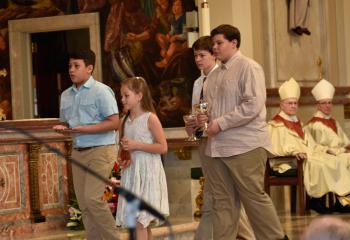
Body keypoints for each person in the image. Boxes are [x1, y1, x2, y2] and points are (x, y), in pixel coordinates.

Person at [200, 24, 287, 240]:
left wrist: (219, 123)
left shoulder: (249, 67)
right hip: (217, 148)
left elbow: (252, 105)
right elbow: (210, 109)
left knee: (253, 198)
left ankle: (275, 238)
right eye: (213, 44)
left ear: (234, 43)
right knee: (223, 202)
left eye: (219, 43)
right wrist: (203, 119)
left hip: (245, 145)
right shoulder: (212, 76)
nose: (215, 48)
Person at [184, 36, 255, 240]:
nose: (198, 59)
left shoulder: (222, 77)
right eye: (195, 55)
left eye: (202, 55)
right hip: (205, 141)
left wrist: (209, 123)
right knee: (217, 196)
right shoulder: (198, 83)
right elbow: (197, 111)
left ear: (214, 55)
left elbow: (227, 111)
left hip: (222, 140)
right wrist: (193, 127)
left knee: (221, 197)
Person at [53, 49, 120, 240]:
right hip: (78, 151)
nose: (71, 70)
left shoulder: (101, 91)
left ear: (89, 68)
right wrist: (62, 127)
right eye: (69, 66)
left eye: (76, 66)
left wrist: (83, 129)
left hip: (101, 150)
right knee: (83, 203)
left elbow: (114, 123)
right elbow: (69, 123)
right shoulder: (66, 95)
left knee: (93, 198)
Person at [268, 77, 350, 214]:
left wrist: (326, 149)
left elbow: (311, 144)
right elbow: (275, 147)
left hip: (305, 156)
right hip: (286, 162)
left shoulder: (298, 123)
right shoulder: (275, 124)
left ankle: (336, 200)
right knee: (319, 164)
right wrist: (294, 152)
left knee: (333, 160)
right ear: (281, 105)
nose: (293, 106)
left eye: (295, 103)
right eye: (290, 103)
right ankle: (316, 200)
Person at [116, 76, 169, 240]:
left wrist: (136, 145)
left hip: (148, 174)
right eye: (121, 96)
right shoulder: (123, 121)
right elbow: (122, 148)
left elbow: (163, 147)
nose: (122, 99)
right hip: (132, 174)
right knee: (140, 222)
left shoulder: (150, 118)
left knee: (140, 221)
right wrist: (122, 156)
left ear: (139, 96)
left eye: (126, 95)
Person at [305, 78, 350, 212]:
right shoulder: (314, 124)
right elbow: (314, 146)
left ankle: (342, 201)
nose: (328, 106)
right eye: (324, 103)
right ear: (317, 105)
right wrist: (334, 151)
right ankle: (342, 201)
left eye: (330, 103)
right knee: (340, 161)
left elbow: (345, 141)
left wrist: (345, 148)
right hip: (324, 155)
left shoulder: (334, 122)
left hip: (339, 153)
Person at [155, 0, 187, 68]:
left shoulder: (183, 19)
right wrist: (169, 34)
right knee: (159, 36)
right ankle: (165, 49)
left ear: (182, 8)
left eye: (177, 5)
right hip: (173, 40)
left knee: (173, 46)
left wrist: (176, 37)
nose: (175, 7)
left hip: (182, 42)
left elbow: (185, 35)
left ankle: (165, 61)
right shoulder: (173, 18)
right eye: (174, 5)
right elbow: (172, 30)